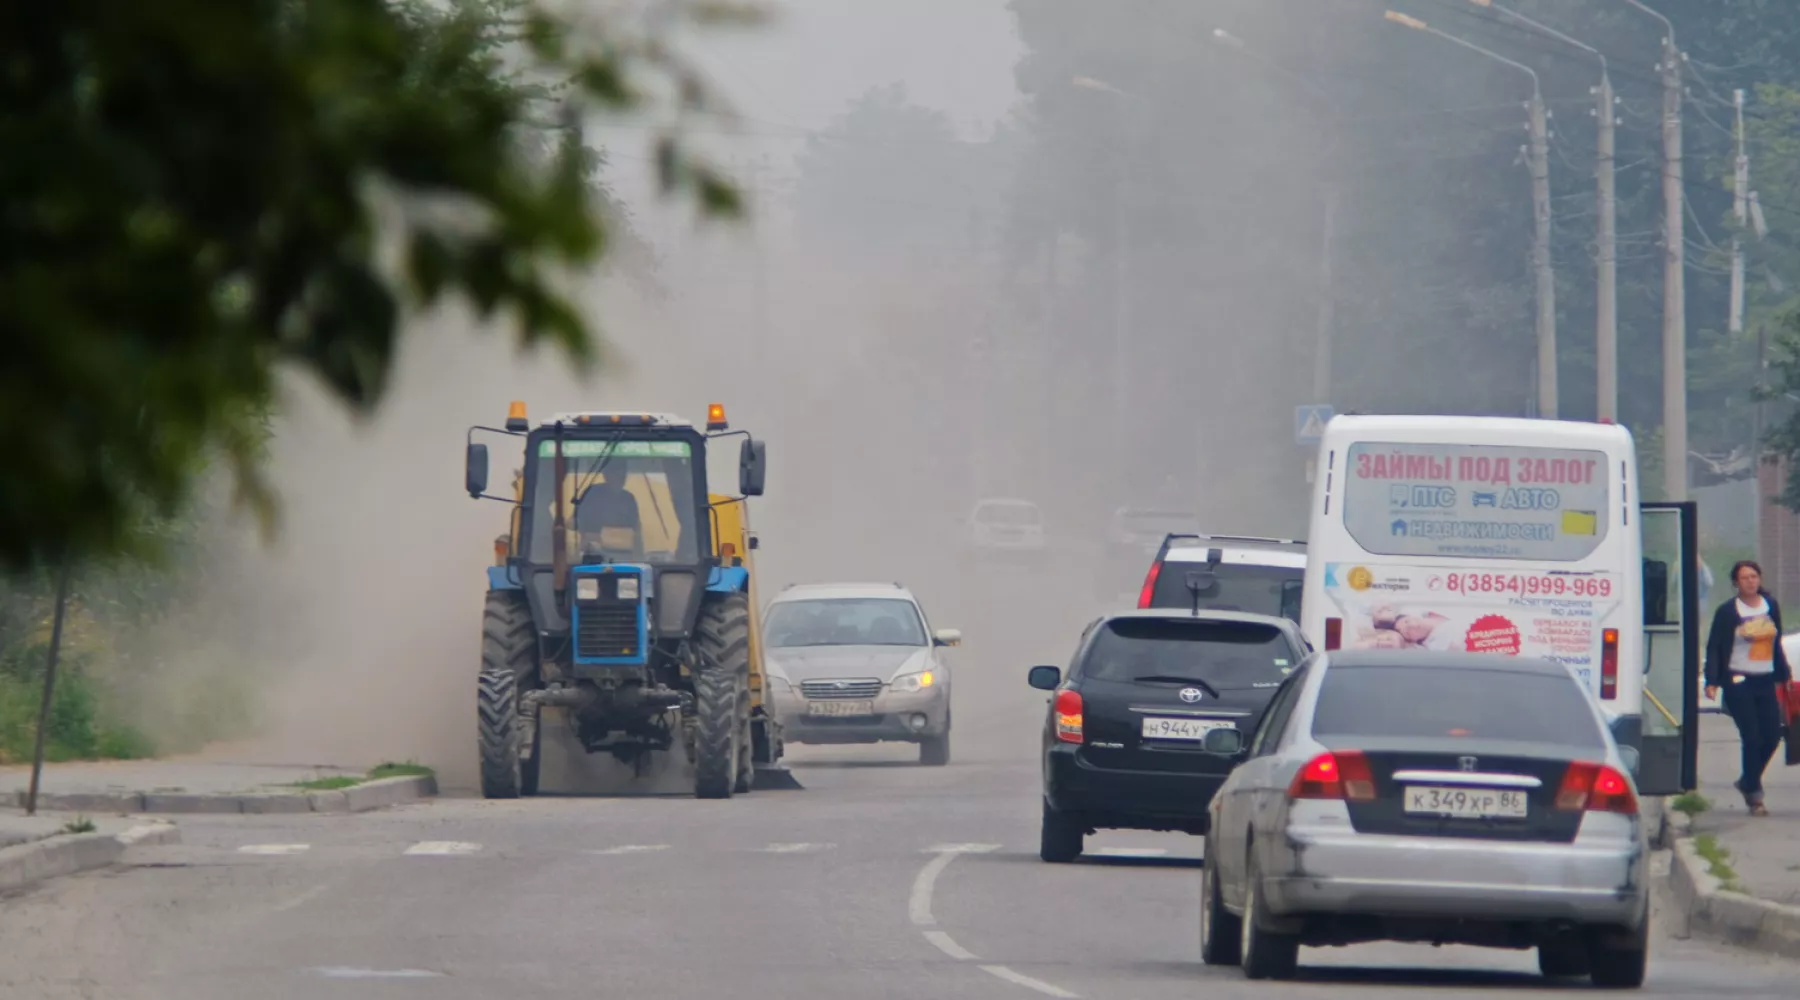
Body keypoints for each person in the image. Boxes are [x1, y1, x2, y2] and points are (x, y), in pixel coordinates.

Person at [1703, 559, 1793, 816]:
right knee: (1751, 737)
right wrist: (1712, 680)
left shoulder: (1770, 606)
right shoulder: (1728, 611)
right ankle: (1755, 796)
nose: (1750, 581)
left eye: (1754, 576)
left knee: (1773, 736)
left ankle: (1747, 780)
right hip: (1738, 681)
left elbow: (1776, 643)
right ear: (1736, 583)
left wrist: (1784, 672)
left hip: (1764, 679)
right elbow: (1716, 646)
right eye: (1744, 578)